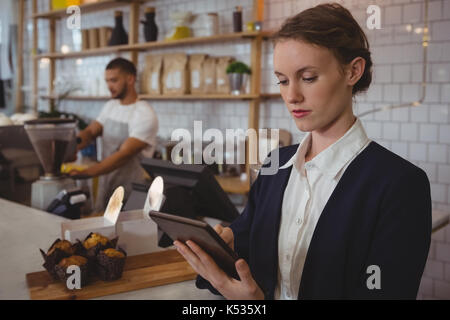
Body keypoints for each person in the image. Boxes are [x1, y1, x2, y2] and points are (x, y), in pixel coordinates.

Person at [174, 3, 431, 299]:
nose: (292, 95)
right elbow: (246, 238)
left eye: (308, 78)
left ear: (353, 71)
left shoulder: (400, 185)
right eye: (282, 80)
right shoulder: (275, 164)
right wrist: (223, 246)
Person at [70, 57, 158, 212]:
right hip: (107, 184)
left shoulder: (144, 113)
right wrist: (72, 146)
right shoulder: (110, 106)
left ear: (130, 79)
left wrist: (86, 173)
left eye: (114, 80)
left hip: (131, 190)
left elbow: (124, 155)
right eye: (107, 81)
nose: (109, 86)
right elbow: (91, 131)